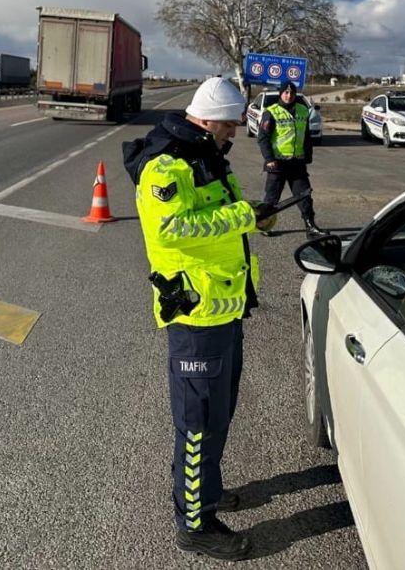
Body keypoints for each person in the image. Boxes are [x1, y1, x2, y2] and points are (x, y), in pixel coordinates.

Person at [122, 77, 272, 560]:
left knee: (217, 417)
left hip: (224, 307)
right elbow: (171, 229)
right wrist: (244, 216)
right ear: (207, 121)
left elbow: (222, 213)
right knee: (198, 426)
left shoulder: (205, 156)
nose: (233, 133)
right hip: (194, 315)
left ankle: (203, 489)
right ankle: (195, 523)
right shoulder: (165, 166)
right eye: (229, 125)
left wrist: (253, 214)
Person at [257, 81, 329, 238]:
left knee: (304, 196)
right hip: (277, 163)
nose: (289, 96)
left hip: (297, 162)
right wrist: (269, 158)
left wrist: (308, 154)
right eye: (286, 93)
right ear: (281, 94)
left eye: (292, 93)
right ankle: (264, 225)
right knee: (271, 198)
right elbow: (263, 138)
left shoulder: (303, 110)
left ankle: (311, 227)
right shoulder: (271, 112)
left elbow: (306, 136)